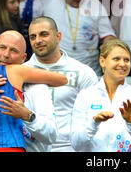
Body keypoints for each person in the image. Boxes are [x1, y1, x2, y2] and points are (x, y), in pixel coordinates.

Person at [25, 16, 98, 151]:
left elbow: (93, 118)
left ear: (58, 36)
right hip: (32, 148)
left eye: (44, 34)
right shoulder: (22, 73)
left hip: (69, 148)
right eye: (33, 37)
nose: (38, 40)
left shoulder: (83, 72)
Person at [70, 39, 131, 152]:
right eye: (116, 59)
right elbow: (75, 144)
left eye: (127, 60)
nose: (122, 64)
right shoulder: (86, 95)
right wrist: (94, 123)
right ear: (102, 61)